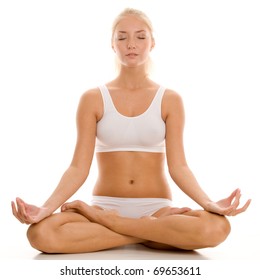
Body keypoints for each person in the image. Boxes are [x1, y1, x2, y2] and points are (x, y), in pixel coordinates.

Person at [11, 8, 251, 254]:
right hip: (105, 205)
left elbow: (179, 167)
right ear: (112, 44)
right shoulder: (93, 98)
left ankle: (116, 227)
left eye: (140, 36)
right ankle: (148, 234)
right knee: (41, 234)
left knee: (217, 228)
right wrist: (46, 208)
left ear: (152, 42)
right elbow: (77, 168)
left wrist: (208, 203)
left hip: (156, 208)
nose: (131, 44)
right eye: (122, 37)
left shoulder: (169, 99)